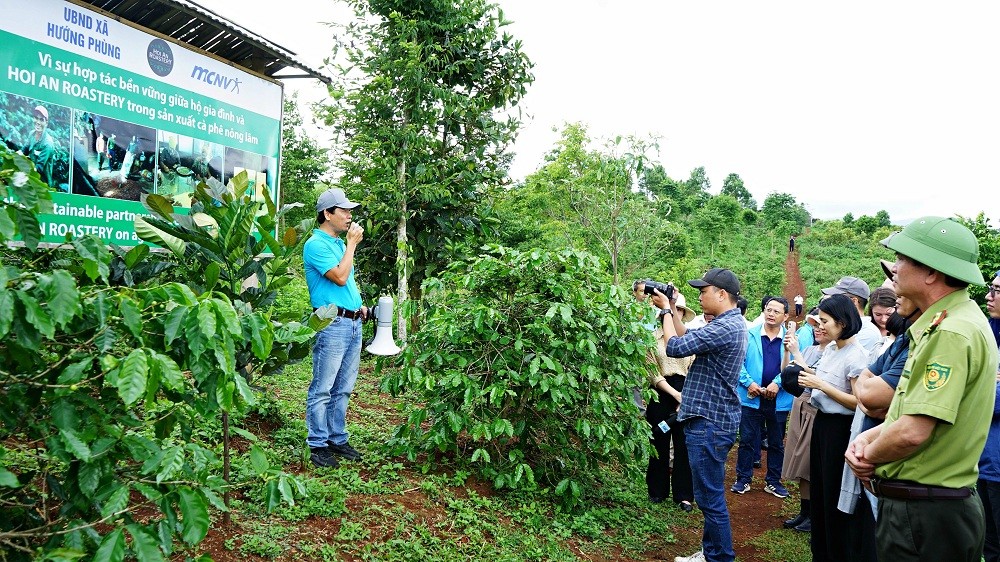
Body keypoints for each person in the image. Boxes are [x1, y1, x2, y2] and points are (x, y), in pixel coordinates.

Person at [846, 216, 998, 562]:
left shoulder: (950, 332)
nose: (894, 268)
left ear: (931, 271)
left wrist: (865, 458)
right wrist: (869, 438)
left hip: (924, 515)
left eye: (901, 258)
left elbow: (913, 433)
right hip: (934, 509)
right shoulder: (955, 322)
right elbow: (913, 414)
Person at [651, 268, 748, 562]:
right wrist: (672, 311)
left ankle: (720, 558)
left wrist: (668, 310)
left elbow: (676, 347)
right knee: (709, 494)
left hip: (709, 422)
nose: (700, 296)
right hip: (711, 419)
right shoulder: (727, 323)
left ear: (721, 294)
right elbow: (685, 336)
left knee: (709, 498)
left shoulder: (727, 326)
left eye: (704, 291)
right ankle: (712, 552)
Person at [798, 294, 869, 562]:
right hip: (822, 424)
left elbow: (857, 402)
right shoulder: (831, 349)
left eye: (825, 321)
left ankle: (837, 552)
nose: (821, 326)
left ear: (842, 322)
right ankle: (821, 550)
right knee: (820, 490)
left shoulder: (856, 356)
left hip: (841, 431)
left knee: (833, 493)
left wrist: (822, 385)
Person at [303, 188, 368, 469]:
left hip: (352, 322)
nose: (349, 216)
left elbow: (349, 283)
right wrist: (352, 244)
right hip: (331, 324)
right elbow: (339, 278)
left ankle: (336, 438)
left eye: (349, 210)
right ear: (327, 214)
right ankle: (317, 443)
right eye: (343, 211)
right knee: (323, 387)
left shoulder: (339, 244)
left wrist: (360, 305)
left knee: (343, 388)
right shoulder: (315, 245)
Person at [732, 297, 792, 499]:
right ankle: (743, 478)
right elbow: (738, 363)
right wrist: (749, 383)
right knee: (747, 439)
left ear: (785, 316)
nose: (771, 314)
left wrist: (778, 382)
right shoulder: (750, 335)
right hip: (751, 396)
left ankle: (773, 481)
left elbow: (793, 366)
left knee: (776, 442)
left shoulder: (790, 340)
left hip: (778, 398)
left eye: (776, 311)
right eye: (768, 309)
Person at [779, 310, 829, 533]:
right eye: (815, 325)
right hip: (800, 405)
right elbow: (787, 373)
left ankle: (814, 515)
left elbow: (816, 378)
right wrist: (787, 352)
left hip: (816, 409)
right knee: (800, 463)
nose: (818, 328)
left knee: (810, 464)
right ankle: (805, 511)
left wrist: (796, 353)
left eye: (822, 324)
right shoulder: (810, 350)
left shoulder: (833, 353)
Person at [646, 293, 696, 512]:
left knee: (684, 444)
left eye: (680, 310)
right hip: (660, 392)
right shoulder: (651, 340)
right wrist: (674, 394)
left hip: (687, 390)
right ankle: (657, 491)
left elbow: (695, 369)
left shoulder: (690, 340)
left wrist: (684, 396)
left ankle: (684, 495)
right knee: (658, 441)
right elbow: (651, 371)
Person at [980, 270, 1000, 562]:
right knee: (989, 542)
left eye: (996, 290)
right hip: (984, 460)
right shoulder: (990, 329)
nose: (988, 296)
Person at [821, 276, 882, 353]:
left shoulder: (867, 333)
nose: (832, 302)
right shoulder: (844, 328)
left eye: (836, 298)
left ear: (853, 302)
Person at [21, 105, 55, 186]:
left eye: (41, 120)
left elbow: (39, 168)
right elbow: (23, 151)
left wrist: (23, 176)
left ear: (46, 123)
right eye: (36, 118)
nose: (38, 122)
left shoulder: (48, 144)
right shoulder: (31, 134)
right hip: (31, 179)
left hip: (43, 184)